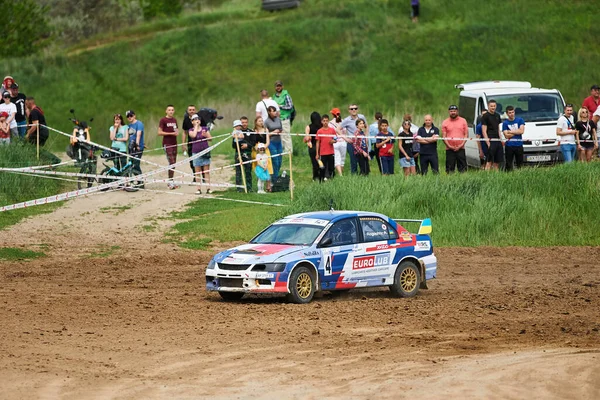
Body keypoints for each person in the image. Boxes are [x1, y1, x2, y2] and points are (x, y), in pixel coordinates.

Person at [189, 114, 213, 194]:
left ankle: (208, 188)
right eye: (195, 119)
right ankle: (198, 189)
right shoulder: (191, 130)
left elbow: (210, 139)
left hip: (205, 151)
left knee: (206, 171)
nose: (197, 120)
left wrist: (205, 135)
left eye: (198, 118)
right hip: (196, 152)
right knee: (197, 171)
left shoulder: (205, 128)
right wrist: (196, 127)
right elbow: (194, 135)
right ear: (192, 121)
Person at [158, 104, 180, 189]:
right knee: (171, 162)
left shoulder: (174, 120)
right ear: (166, 111)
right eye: (169, 110)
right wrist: (170, 133)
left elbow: (176, 129)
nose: (171, 111)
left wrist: (176, 132)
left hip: (174, 143)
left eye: (172, 110)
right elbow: (159, 132)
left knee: (174, 163)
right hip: (167, 143)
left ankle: (171, 180)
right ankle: (170, 182)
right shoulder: (163, 120)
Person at [341, 104, 367, 174]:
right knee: (353, 161)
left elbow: (366, 127)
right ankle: (354, 177)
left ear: (357, 109)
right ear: (349, 111)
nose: (354, 110)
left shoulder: (362, 117)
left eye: (355, 108)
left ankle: (364, 175)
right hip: (352, 143)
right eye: (351, 109)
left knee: (363, 160)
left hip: (361, 143)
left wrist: (366, 137)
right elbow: (337, 129)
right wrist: (345, 138)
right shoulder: (346, 120)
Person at [442, 105, 468, 173]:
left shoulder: (463, 121)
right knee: (449, 169)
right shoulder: (445, 122)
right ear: (449, 112)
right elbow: (444, 136)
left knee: (463, 169)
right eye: (451, 111)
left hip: (461, 148)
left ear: (457, 111)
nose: (453, 112)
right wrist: (449, 146)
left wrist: (461, 145)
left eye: (454, 111)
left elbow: (466, 135)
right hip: (449, 149)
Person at [272, 80, 294, 154]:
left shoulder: (286, 95)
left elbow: (290, 106)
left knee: (286, 136)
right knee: (280, 137)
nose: (278, 87)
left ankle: (289, 152)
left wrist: (280, 106)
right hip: (277, 120)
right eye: (277, 86)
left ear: (282, 87)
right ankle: (282, 151)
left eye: (280, 86)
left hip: (285, 119)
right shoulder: (274, 97)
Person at [481, 99, 503, 170]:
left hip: (497, 140)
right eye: (491, 106)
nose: (493, 107)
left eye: (494, 106)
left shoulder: (497, 115)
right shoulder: (485, 116)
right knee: (489, 161)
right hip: (490, 140)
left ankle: (496, 177)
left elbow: (498, 129)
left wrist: (501, 139)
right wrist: (488, 143)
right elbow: (484, 131)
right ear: (488, 106)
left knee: (497, 162)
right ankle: (487, 176)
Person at [502, 106, 525, 171]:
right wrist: (516, 132)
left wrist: (510, 131)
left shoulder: (520, 120)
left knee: (520, 164)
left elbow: (521, 131)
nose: (512, 114)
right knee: (508, 164)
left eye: (513, 112)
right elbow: (506, 135)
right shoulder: (505, 123)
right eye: (510, 113)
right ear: (507, 114)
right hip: (509, 145)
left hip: (519, 145)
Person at [232, 119, 252, 192]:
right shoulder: (235, 132)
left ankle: (249, 187)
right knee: (238, 171)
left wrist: (247, 145)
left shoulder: (251, 132)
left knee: (248, 170)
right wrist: (237, 141)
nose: (244, 124)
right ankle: (239, 188)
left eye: (245, 122)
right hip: (238, 152)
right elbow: (233, 145)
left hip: (247, 153)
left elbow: (253, 142)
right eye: (242, 122)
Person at [253, 116, 273, 191]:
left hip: (265, 149)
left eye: (262, 121)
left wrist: (264, 147)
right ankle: (259, 186)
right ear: (256, 122)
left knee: (268, 166)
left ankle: (268, 185)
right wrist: (257, 148)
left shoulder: (266, 130)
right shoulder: (254, 131)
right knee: (259, 167)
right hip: (257, 150)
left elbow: (268, 141)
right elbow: (253, 141)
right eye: (259, 121)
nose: (261, 122)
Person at [265, 105, 283, 179]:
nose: (275, 112)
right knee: (275, 162)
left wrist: (280, 131)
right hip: (271, 143)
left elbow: (281, 128)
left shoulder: (278, 119)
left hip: (279, 142)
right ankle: (274, 179)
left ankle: (276, 176)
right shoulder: (266, 122)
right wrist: (273, 132)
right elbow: (265, 135)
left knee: (279, 161)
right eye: (273, 111)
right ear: (269, 112)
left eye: (275, 111)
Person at [315, 114, 336, 181]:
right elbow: (317, 142)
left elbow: (335, 139)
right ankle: (322, 179)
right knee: (322, 167)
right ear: (321, 121)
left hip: (331, 152)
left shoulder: (332, 130)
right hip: (323, 152)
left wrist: (333, 141)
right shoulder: (319, 131)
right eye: (324, 121)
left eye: (326, 121)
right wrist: (317, 153)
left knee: (331, 167)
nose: (325, 122)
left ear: (328, 121)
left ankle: (331, 178)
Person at [329, 107, 348, 176]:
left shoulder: (330, 123)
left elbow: (330, 133)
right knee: (342, 159)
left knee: (337, 158)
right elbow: (345, 132)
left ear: (332, 114)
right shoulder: (343, 121)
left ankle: (340, 174)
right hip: (343, 141)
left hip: (335, 142)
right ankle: (341, 173)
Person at [126, 110, 145, 177]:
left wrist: (137, 145)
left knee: (136, 165)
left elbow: (138, 135)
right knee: (131, 164)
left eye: (131, 116)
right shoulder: (129, 125)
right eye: (128, 116)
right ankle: (137, 179)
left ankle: (140, 181)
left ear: (134, 116)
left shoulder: (139, 124)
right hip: (131, 147)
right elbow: (128, 137)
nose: (129, 117)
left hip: (137, 147)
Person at [304, 111, 321, 181]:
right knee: (321, 161)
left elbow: (307, 138)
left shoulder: (308, 127)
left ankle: (315, 176)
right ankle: (322, 175)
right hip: (321, 146)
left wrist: (308, 137)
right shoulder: (321, 126)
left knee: (314, 162)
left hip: (312, 147)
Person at [182, 105, 197, 182]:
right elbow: (184, 132)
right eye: (190, 110)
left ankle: (203, 177)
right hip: (190, 143)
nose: (191, 111)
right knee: (192, 161)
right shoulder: (186, 120)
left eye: (193, 109)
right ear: (188, 111)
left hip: (200, 142)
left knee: (201, 160)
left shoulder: (199, 119)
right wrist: (183, 144)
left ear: (195, 110)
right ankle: (195, 177)